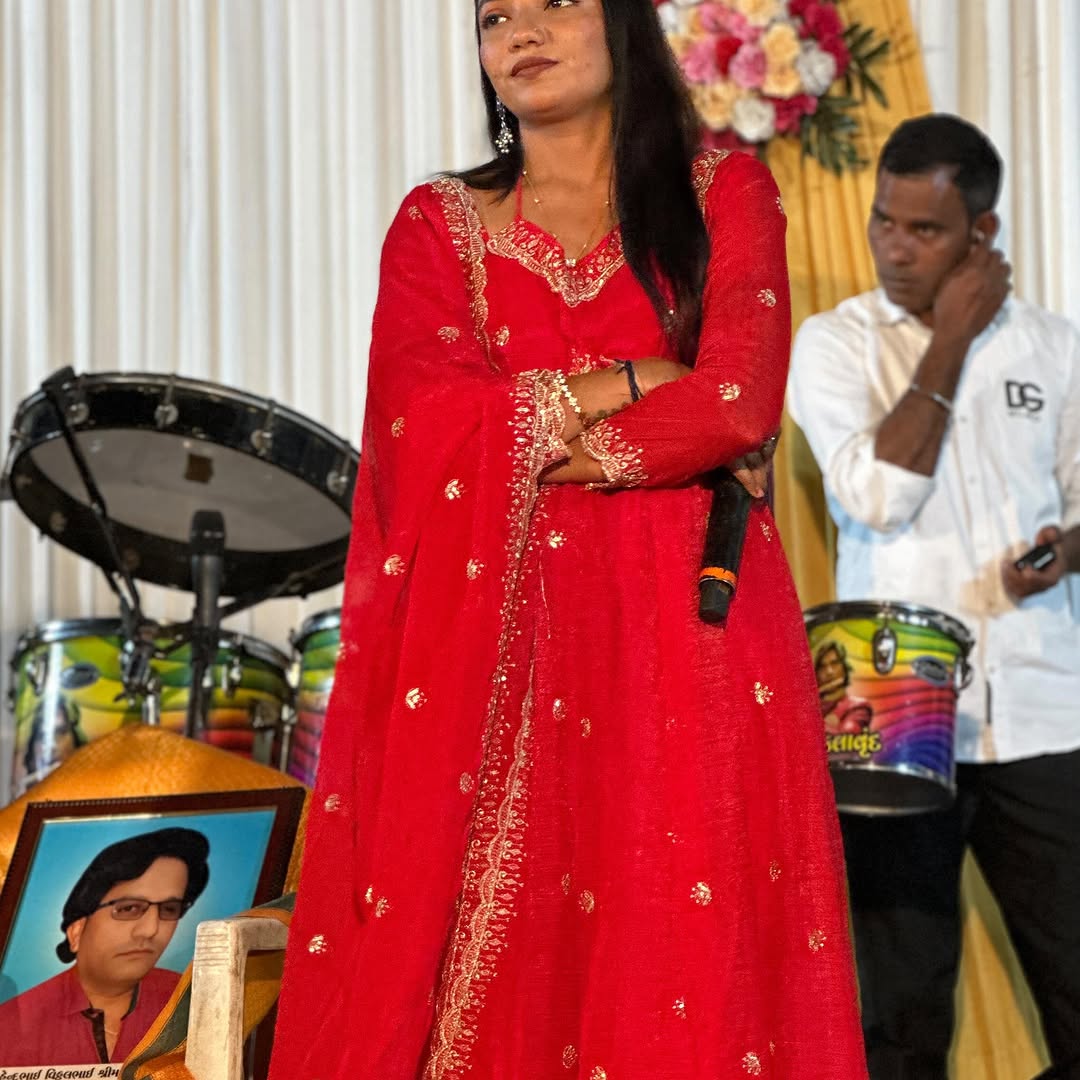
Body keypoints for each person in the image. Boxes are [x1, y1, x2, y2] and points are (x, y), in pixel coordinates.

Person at [269, 2, 866, 1076]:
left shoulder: (722, 191)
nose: (521, 32)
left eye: (554, 3)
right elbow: (421, 419)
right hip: (496, 640)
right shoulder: (438, 223)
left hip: (688, 628)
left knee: (682, 928)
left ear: (623, 24)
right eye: (496, 16)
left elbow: (737, 400)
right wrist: (642, 377)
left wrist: (571, 446)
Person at [788, 113, 1080, 1078]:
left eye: (925, 229)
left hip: (1043, 708)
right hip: (895, 717)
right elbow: (878, 496)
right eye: (885, 221)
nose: (896, 249)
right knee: (900, 1021)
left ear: (982, 233)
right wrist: (948, 341)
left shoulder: (1054, 347)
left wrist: (1064, 551)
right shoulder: (834, 345)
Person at [0, 827, 210, 1065]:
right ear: (76, 929)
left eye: (169, 909)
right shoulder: (11, 1025)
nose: (151, 929)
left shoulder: (194, 1004)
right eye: (129, 908)